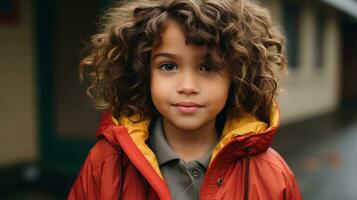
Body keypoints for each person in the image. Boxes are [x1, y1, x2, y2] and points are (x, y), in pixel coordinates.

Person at [68, 0, 302, 199]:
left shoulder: (273, 175)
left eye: (207, 66)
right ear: (143, 72)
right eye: (168, 66)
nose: (187, 86)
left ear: (236, 75)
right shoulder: (105, 164)